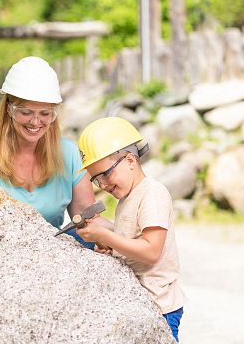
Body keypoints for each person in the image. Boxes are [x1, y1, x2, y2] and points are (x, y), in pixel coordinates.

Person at [0, 56, 95, 245]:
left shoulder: (69, 153)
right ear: (9, 110)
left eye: (45, 114)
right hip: (1, 251)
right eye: (26, 112)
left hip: (54, 250)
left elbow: (87, 221)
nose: (35, 122)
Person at [74, 117, 185, 342]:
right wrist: (108, 238)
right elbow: (132, 238)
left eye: (106, 174)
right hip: (140, 301)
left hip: (161, 304)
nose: (103, 185)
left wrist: (105, 235)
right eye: (96, 180)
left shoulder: (152, 194)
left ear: (130, 159)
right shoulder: (128, 197)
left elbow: (151, 251)